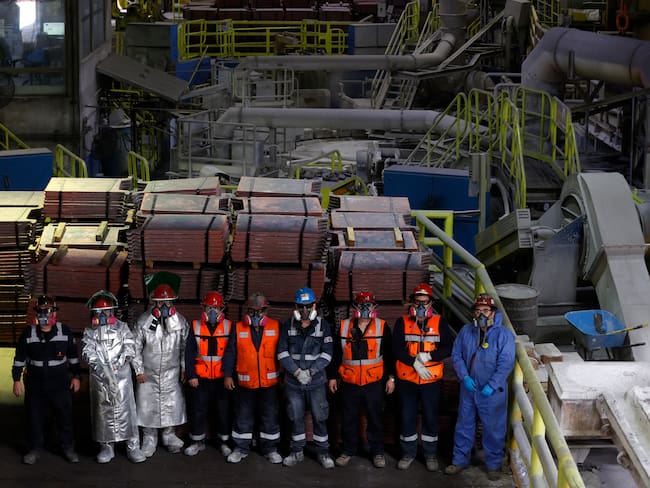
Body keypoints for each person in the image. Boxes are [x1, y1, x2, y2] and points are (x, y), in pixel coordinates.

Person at [444, 294, 515, 481]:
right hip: (469, 389)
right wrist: (464, 376)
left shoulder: (503, 335)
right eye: (477, 311)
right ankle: (459, 461)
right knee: (464, 425)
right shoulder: (467, 331)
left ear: (493, 313)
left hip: (492, 392)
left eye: (485, 310)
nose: (481, 314)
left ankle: (493, 465)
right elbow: (456, 354)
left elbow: (506, 362)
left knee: (493, 429)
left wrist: (492, 385)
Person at [327, 291, 395, 468]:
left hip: (374, 382)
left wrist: (391, 378)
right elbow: (335, 354)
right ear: (355, 308)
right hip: (349, 382)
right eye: (361, 306)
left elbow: (389, 354)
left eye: (368, 306)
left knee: (375, 418)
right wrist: (333, 376)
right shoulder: (343, 327)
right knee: (348, 418)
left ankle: (377, 452)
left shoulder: (382, 327)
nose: (365, 309)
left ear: (374, 308)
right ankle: (348, 450)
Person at [11, 295, 81, 465]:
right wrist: (16, 380)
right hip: (36, 383)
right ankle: (35, 448)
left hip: (59, 382)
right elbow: (19, 358)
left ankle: (67, 447)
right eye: (41, 312)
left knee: (64, 415)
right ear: (36, 314)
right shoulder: (28, 333)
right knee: (34, 416)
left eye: (48, 312)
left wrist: (76, 376)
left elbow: (73, 358)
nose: (45, 316)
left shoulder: (64, 331)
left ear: (55, 314)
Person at [392, 283, 453, 471]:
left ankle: (430, 455)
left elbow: (448, 347)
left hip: (430, 381)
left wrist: (429, 356)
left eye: (424, 302)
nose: (420, 306)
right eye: (417, 302)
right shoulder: (402, 322)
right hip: (407, 380)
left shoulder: (439, 322)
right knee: (407, 416)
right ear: (412, 302)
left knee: (430, 417)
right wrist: (414, 363)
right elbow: (396, 348)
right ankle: (408, 454)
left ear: (431, 303)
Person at [82, 290, 146, 464]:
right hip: (100, 380)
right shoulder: (90, 332)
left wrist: (121, 362)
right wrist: (103, 369)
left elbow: (130, 347)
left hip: (122, 377)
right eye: (98, 312)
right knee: (103, 413)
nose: (102, 315)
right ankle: (106, 447)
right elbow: (88, 352)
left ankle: (133, 447)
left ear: (112, 312)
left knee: (127, 412)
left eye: (106, 311)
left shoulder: (123, 328)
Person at [277, 287, 335, 469]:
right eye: (301, 306)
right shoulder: (288, 325)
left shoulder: (323, 326)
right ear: (295, 306)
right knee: (295, 416)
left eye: (308, 306)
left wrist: (310, 372)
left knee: (320, 416)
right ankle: (296, 451)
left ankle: (323, 453)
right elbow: (282, 352)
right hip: (293, 382)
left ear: (314, 305)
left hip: (316, 382)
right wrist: (296, 372)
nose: (305, 310)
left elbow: (327, 354)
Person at [132, 278, 189, 458]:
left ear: (173, 303)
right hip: (148, 374)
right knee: (147, 407)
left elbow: (185, 348)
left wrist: (184, 369)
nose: (164, 305)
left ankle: (169, 436)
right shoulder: (142, 322)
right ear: (153, 303)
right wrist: (139, 370)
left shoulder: (180, 323)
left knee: (172, 405)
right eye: (160, 302)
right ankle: (149, 439)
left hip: (171, 374)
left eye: (167, 302)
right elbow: (134, 348)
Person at [223, 292, 282, 464]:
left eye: (260, 311)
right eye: (252, 311)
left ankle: (270, 449)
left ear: (266, 310)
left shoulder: (276, 326)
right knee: (243, 416)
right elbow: (230, 353)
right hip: (245, 383)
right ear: (246, 311)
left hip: (269, 383)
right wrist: (227, 375)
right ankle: (241, 448)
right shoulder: (238, 327)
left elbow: (283, 353)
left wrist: (286, 375)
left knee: (270, 416)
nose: (256, 315)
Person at [183, 291, 233, 458]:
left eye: (216, 307)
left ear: (222, 309)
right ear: (204, 308)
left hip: (221, 379)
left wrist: (228, 375)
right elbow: (189, 353)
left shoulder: (229, 326)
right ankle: (197, 442)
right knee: (198, 410)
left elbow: (231, 353)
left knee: (223, 411)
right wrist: (191, 375)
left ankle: (224, 442)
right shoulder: (196, 326)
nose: (213, 311)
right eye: (209, 307)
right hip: (201, 379)